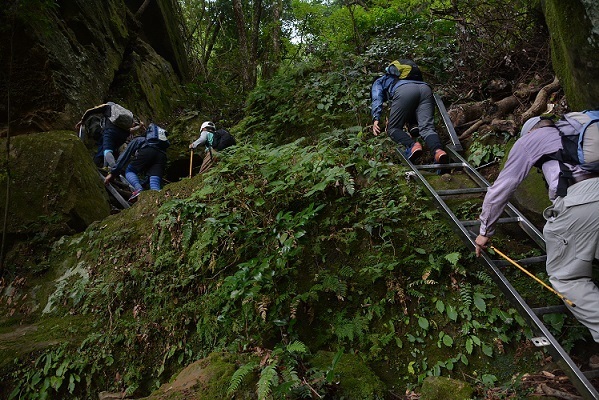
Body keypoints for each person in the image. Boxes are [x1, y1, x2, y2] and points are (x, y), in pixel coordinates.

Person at [474, 115, 599, 353]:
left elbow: (502, 188)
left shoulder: (530, 140)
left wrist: (484, 231)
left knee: (568, 278)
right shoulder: (579, 134)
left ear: (529, 132)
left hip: (580, 203)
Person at [371, 59, 447, 164]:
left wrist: (376, 118)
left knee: (393, 129)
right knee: (427, 128)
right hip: (425, 89)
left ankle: (413, 146)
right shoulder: (403, 76)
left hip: (405, 91)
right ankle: (438, 151)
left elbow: (377, 97)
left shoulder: (379, 81)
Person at [105, 122, 169, 202]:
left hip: (146, 151)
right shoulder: (162, 147)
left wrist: (113, 173)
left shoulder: (140, 140)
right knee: (154, 179)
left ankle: (138, 190)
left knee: (130, 170)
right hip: (162, 156)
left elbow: (125, 156)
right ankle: (157, 199)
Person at [75, 102, 142, 168]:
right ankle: (106, 167)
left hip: (111, 131)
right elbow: (133, 127)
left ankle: (114, 169)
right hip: (124, 135)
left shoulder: (107, 107)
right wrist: (139, 126)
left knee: (107, 151)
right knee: (110, 150)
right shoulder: (125, 112)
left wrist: (82, 121)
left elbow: (89, 111)